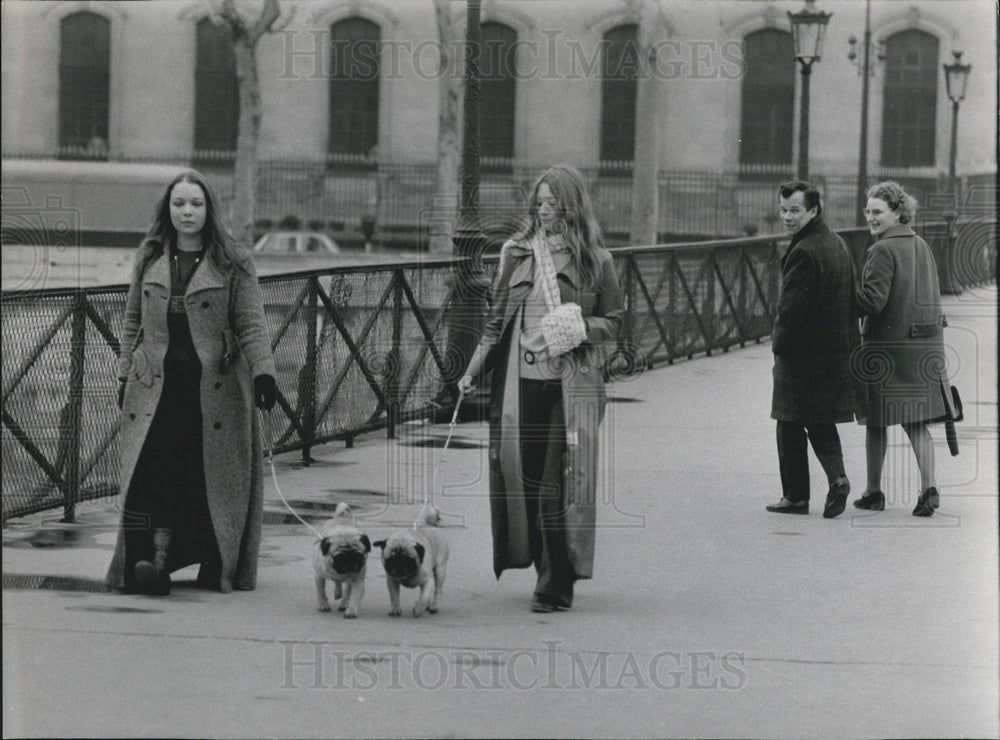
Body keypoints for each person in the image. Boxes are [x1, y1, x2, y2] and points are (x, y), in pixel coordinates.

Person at [457, 164, 623, 613]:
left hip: (572, 387)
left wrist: (582, 327)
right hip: (520, 385)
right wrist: (471, 370)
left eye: (553, 202)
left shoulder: (597, 260)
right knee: (524, 481)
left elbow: (617, 323)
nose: (544, 210)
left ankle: (554, 585)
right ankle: (547, 567)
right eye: (540, 201)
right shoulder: (516, 254)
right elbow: (494, 324)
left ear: (571, 206)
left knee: (558, 484)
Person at [106, 170, 277, 595]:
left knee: (204, 477)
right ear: (168, 208)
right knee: (147, 473)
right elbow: (132, 321)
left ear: (209, 210)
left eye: (196, 204)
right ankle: (143, 563)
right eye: (179, 203)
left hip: (213, 389)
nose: (187, 212)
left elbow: (251, 324)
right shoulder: (149, 257)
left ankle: (211, 561)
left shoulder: (233, 260)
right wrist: (125, 370)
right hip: (155, 388)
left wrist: (263, 373)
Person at [766, 180, 862, 518]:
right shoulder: (835, 242)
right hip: (833, 352)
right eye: (783, 209)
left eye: (795, 210)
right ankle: (838, 478)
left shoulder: (804, 250)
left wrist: (779, 344)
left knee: (788, 420)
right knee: (820, 420)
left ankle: (795, 497)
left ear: (813, 211)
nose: (787, 217)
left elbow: (791, 310)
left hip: (802, 354)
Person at [854, 181, 947, 517]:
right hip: (922, 348)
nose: (870, 217)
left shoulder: (881, 250)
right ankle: (930, 488)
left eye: (877, 211)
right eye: (867, 211)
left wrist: (843, 297)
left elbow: (873, 302)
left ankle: (873, 492)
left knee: (876, 422)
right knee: (916, 422)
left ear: (896, 212)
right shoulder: (920, 244)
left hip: (886, 351)